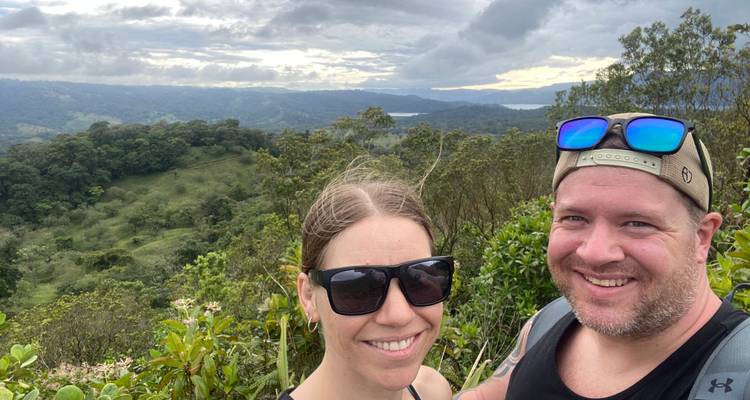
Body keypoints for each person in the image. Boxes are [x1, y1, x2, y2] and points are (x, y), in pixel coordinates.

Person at [455, 113, 749, 399]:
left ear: (702, 237)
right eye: (574, 218)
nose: (596, 253)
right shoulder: (550, 320)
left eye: (638, 224)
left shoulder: (740, 376)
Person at [283, 172, 453, 400]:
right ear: (308, 296)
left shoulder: (433, 390)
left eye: (419, 279)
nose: (399, 315)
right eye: (359, 288)